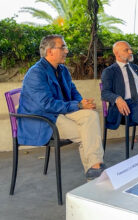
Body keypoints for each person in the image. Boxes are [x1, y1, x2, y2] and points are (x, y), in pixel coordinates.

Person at [17, 35, 105, 180]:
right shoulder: (36, 73)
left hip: (60, 111)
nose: (67, 50)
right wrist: (77, 105)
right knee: (87, 134)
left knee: (91, 115)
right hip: (43, 120)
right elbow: (46, 104)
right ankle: (95, 176)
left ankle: (95, 168)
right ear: (50, 51)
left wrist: (82, 104)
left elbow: (73, 91)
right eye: (63, 47)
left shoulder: (62, 70)